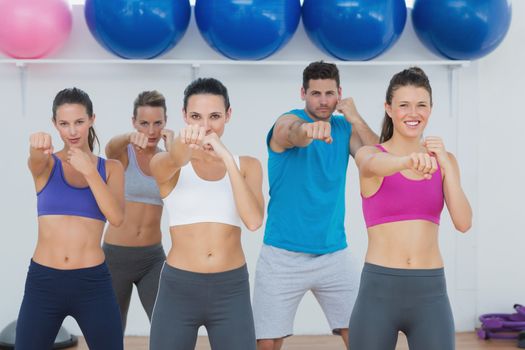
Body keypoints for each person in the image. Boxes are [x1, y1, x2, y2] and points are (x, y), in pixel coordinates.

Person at [253, 61, 379, 350]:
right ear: (303, 93)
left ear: (340, 94)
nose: (323, 101)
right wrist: (308, 131)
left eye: (329, 93)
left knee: (363, 334)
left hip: (334, 253)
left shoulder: (344, 127)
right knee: (267, 343)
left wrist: (357, 118)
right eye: (315, 93)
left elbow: (377, 159)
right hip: (282, 254)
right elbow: (290, 131)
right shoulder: (288, 120)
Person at [349, 67, 472, 350]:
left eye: (421, 105)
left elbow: (464, 222)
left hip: (431, 294)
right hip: (378, 293)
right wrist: (407, 161)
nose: (412, 113)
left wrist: (446, 166)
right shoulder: (372, 154)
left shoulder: (443, 160)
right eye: (403, 105)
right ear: (389, 109)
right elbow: (371, 165)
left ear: (430, 109)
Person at [149, 77, 264, 350]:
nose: (205, 126)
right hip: (179, 288)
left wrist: (225, 157)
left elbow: (253, 220)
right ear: (184, 117)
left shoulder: (247, 165)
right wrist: (182, 147)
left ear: (228, 115)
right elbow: (174, 160)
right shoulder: (166, 163)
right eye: (196, 117)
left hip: (230, 288)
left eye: (214, 116)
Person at [16, 88, 125, 349]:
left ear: (91, 119)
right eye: (64, 124)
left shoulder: (110, 168)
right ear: (55, 124)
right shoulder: (46, 165)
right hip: (44, 282)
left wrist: (90, 172)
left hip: (92, 284)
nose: (72, 131)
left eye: (79, 122)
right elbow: (34, 160)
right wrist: (35, 147)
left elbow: (117, 217)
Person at [103, 90, 172, 331]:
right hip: (115, 256)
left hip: (152, 258)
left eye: (157, 123)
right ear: (134, 123)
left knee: (167, 327)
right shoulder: (124, 154)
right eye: (144, 123)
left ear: (165, 123)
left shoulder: (167, 160)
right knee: (111, 331)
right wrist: (129, 138)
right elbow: (109, 148)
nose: (151, 131)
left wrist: (174, 148)